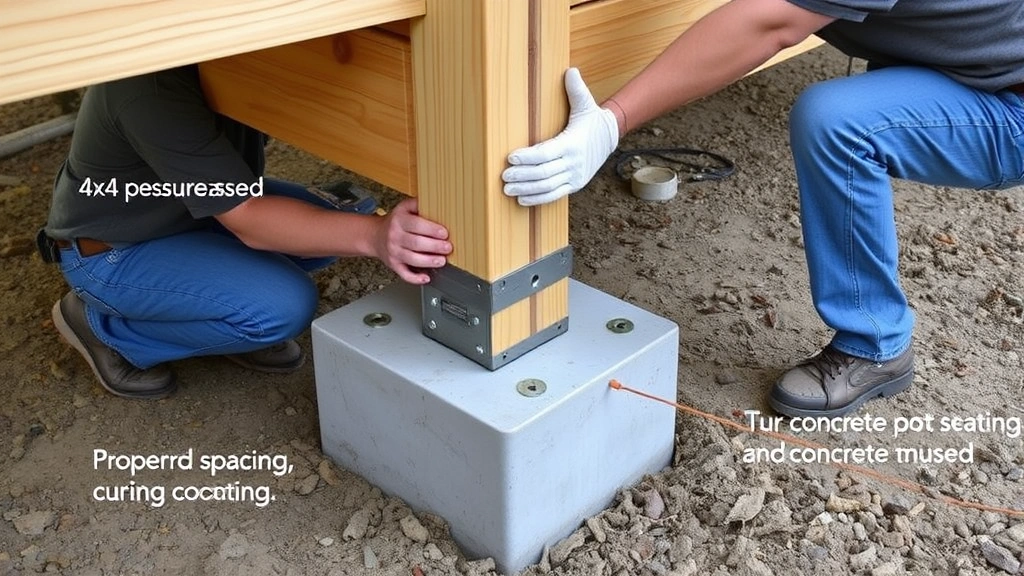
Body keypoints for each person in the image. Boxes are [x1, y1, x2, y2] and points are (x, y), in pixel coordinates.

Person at [501, 0, 1024, 418]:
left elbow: (772, 23)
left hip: (1007, 101)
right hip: (964, 63)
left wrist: (613, 119)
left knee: (838, 123)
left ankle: (875, 343)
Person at [42, 64, 452, 400]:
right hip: (116, 250)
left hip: (190, 207)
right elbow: (249, 219)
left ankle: (223, 312)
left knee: (344, 212)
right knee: (282, 307)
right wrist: (377, 236)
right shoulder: (149, 86)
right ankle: (103, 328)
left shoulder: (241, 56)